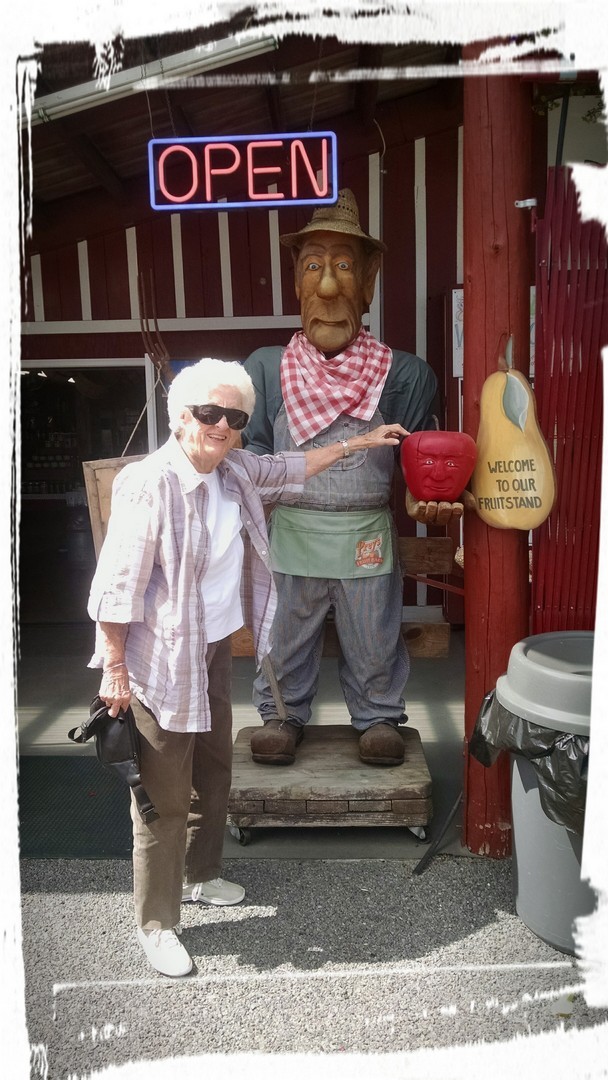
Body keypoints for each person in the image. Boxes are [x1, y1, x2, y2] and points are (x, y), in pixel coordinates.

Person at [87, 356, 406, 977]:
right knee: (163, 795)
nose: (223, 426)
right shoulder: (149, 484)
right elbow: (116, 588)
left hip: (208, 649)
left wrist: (362, 441)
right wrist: (114, 668)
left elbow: (292, 465)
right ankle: (157, 923)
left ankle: (202, 874)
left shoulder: (232, 470)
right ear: (180, 417)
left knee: (214, 771)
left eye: (235, 417)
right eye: (210, 413)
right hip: (159, 661)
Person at [242, 188, 449, 769]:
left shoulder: (403, 375)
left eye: (344, 266)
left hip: (365, 535)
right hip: (292, 535)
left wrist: (430, 499)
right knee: (284, 632)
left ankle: (379, 716)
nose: (329, 288)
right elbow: (249, 460)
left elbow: (419, 466)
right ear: (295, 279)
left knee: (373, 632)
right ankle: (281, 714)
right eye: (313, 266)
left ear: (370, 280)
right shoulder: (266, 369)